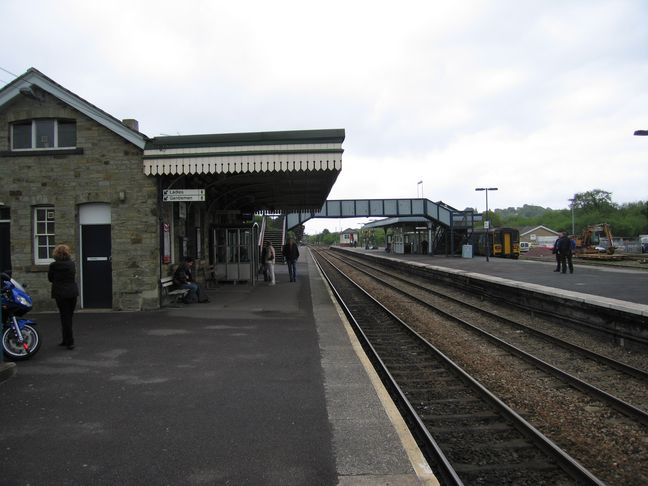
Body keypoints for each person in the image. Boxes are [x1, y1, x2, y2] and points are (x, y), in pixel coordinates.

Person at [48, 244, 79, 350]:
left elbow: (50, 279)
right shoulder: (71, 264)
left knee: (64, 316)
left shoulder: (53, 265)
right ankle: (66, 339)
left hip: (60, 293)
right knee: (68, 316)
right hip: (72, 292)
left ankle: (69, 341)